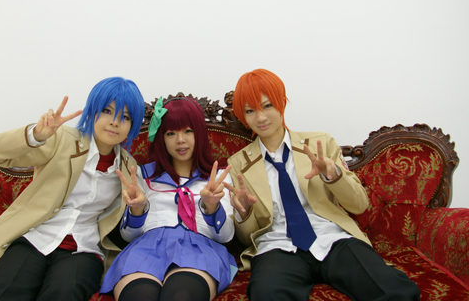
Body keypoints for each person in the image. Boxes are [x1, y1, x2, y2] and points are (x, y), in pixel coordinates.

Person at [223, 68, 420, 301]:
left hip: (333, 239)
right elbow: (247, 238)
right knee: (266, 294)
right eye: (250, 111)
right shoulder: (238, 164)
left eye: (267, 106)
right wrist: (244, 212)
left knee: (394, 290)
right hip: (277, 247)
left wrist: (332, 175)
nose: (261, 117)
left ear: (282, 103)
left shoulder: (320, 143)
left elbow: (359, 205)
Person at [0, 77, 145, 301]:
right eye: (107, 111)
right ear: (93, 111)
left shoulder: (128, 168)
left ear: (132, 126)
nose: (115, 122)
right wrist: (36, 136)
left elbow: (128, 233)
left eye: (125, 117)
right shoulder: (62, 139)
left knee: (63, 293)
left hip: (84, 251)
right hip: (35, 239)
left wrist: (137, 209)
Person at [100, 97, 238, 301]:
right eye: (171, 133)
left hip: (199, 249)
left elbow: (225, 237)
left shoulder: (217, 178)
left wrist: (211, 206)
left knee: (181, 296)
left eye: (188, 131)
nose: (180, 140)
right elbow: (128, 236)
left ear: (199, 133)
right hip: (146, 248)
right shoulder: (141, 176)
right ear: (162, 138)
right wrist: (138, 209)